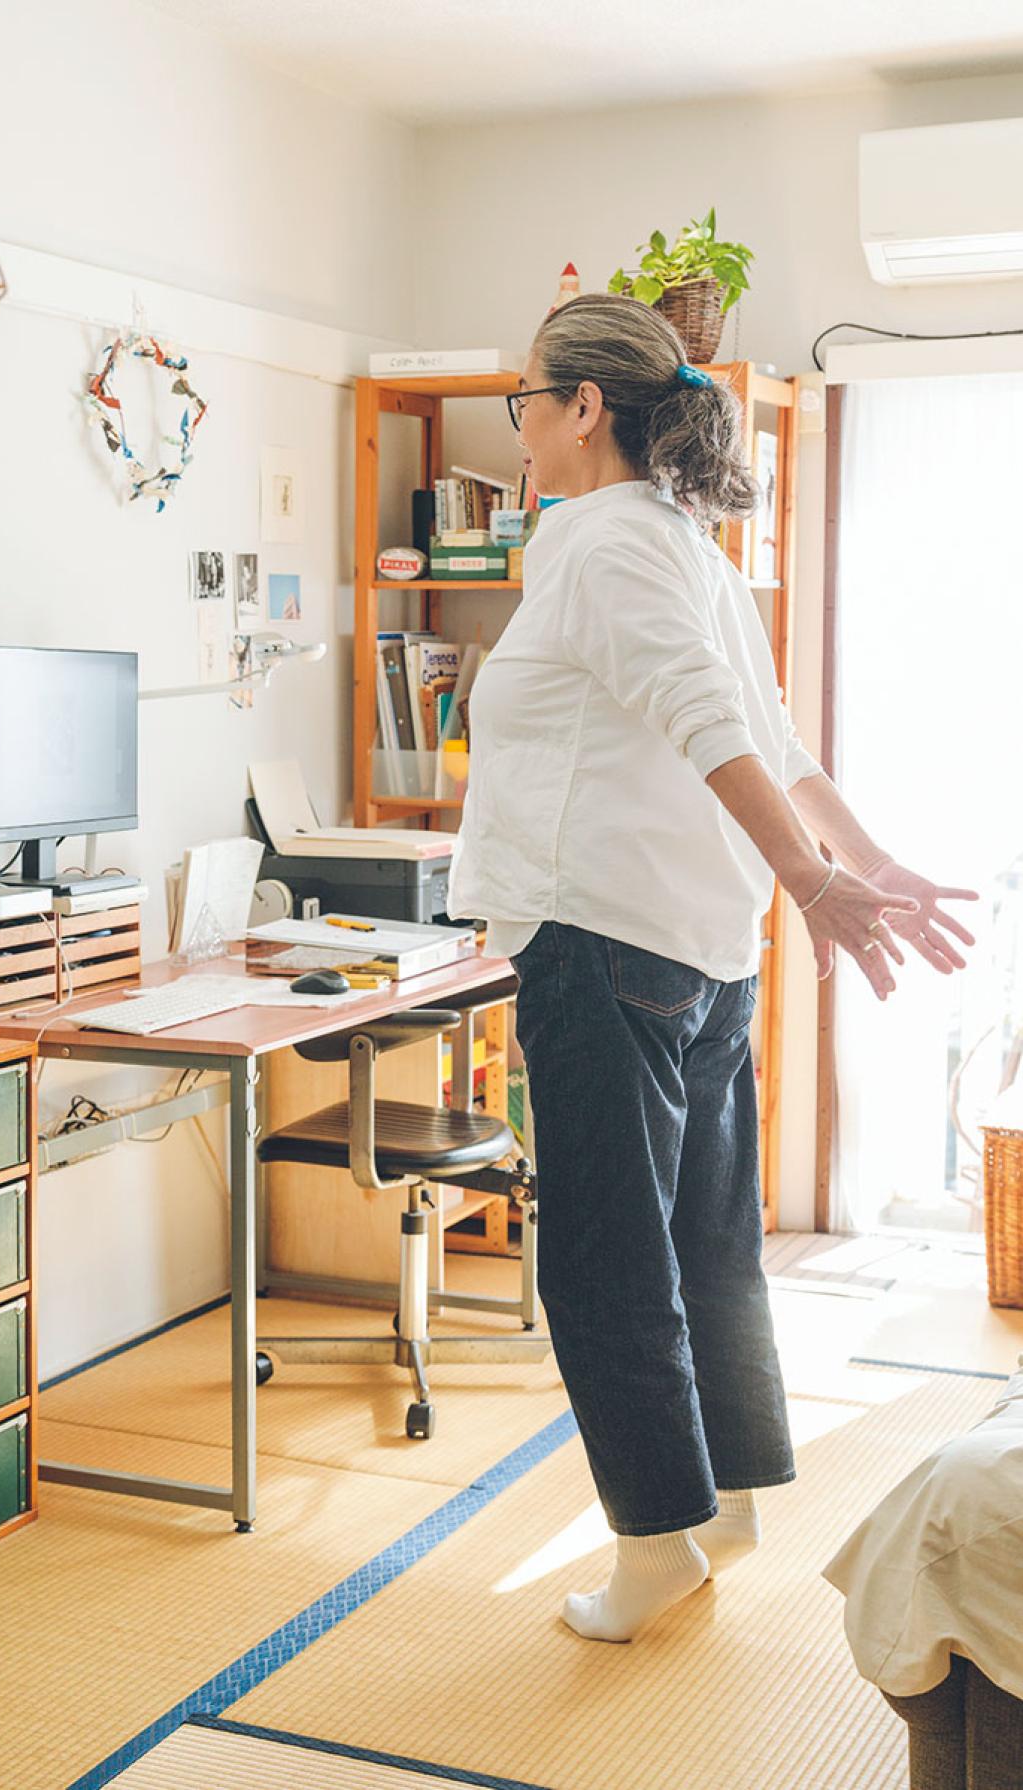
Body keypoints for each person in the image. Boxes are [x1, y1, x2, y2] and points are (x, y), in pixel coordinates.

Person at [446, 292, 979, 1645]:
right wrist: (848, 855)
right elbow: (771, 732)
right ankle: (721, 1500)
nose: (516, 423)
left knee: (605, 1264)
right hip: (696, 952)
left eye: (525, 397)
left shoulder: (596, 541)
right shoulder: (684, 543)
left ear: (583, 409)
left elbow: (716, 724)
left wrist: (826, 874)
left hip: (601, 942)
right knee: (704, 1246)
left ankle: (650, 1544)